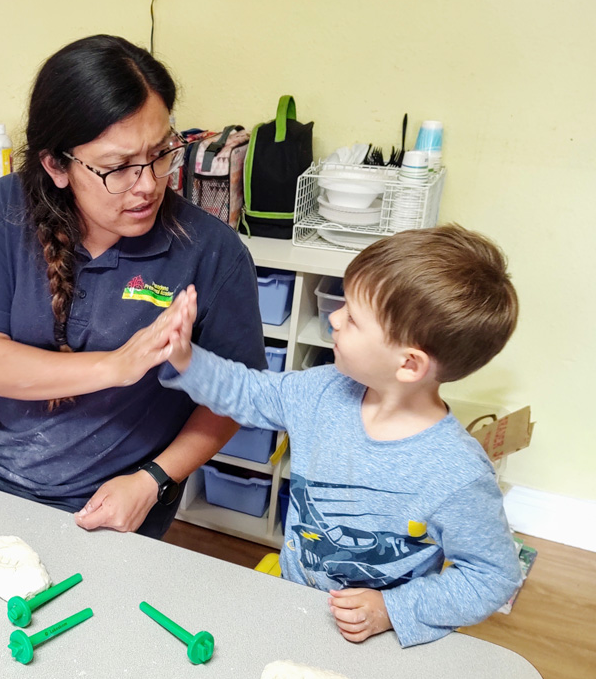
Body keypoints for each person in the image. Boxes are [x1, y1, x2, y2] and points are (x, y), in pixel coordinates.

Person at [0, 34, 267, 537]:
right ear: (56, 165)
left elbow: (237, 397)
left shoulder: (210, 251)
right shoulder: (6, 208)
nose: (148, 184)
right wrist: (116, 366)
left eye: (161, 153)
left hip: (110, 496)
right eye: (117, 167)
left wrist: (153, 480)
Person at [152, 224, 523, 647]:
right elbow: (249, 392)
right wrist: (185, 359)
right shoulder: (321, 390)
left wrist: (392, 609)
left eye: (353, 318)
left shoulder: (457, 474)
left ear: (409, 365)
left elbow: (492, 577)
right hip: (295, 602)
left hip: (374, 636)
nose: (333, 317)